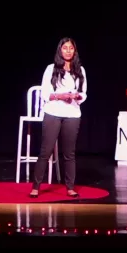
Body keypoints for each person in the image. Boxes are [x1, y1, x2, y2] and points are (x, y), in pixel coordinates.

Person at [30, 37, 87, 198]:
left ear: (74, 51)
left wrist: (77, 96)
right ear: (60, 50)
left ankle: (70, 187)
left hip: (72, 113)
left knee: (69, 153)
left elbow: (84, 93)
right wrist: (60, 96)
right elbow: (45, 93)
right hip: (53, 112)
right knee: (45, 151)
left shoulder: (80, 70)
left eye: (71, 48)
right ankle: (36, 186)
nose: (68, 51)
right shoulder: (51, 69)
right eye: (65, 48)